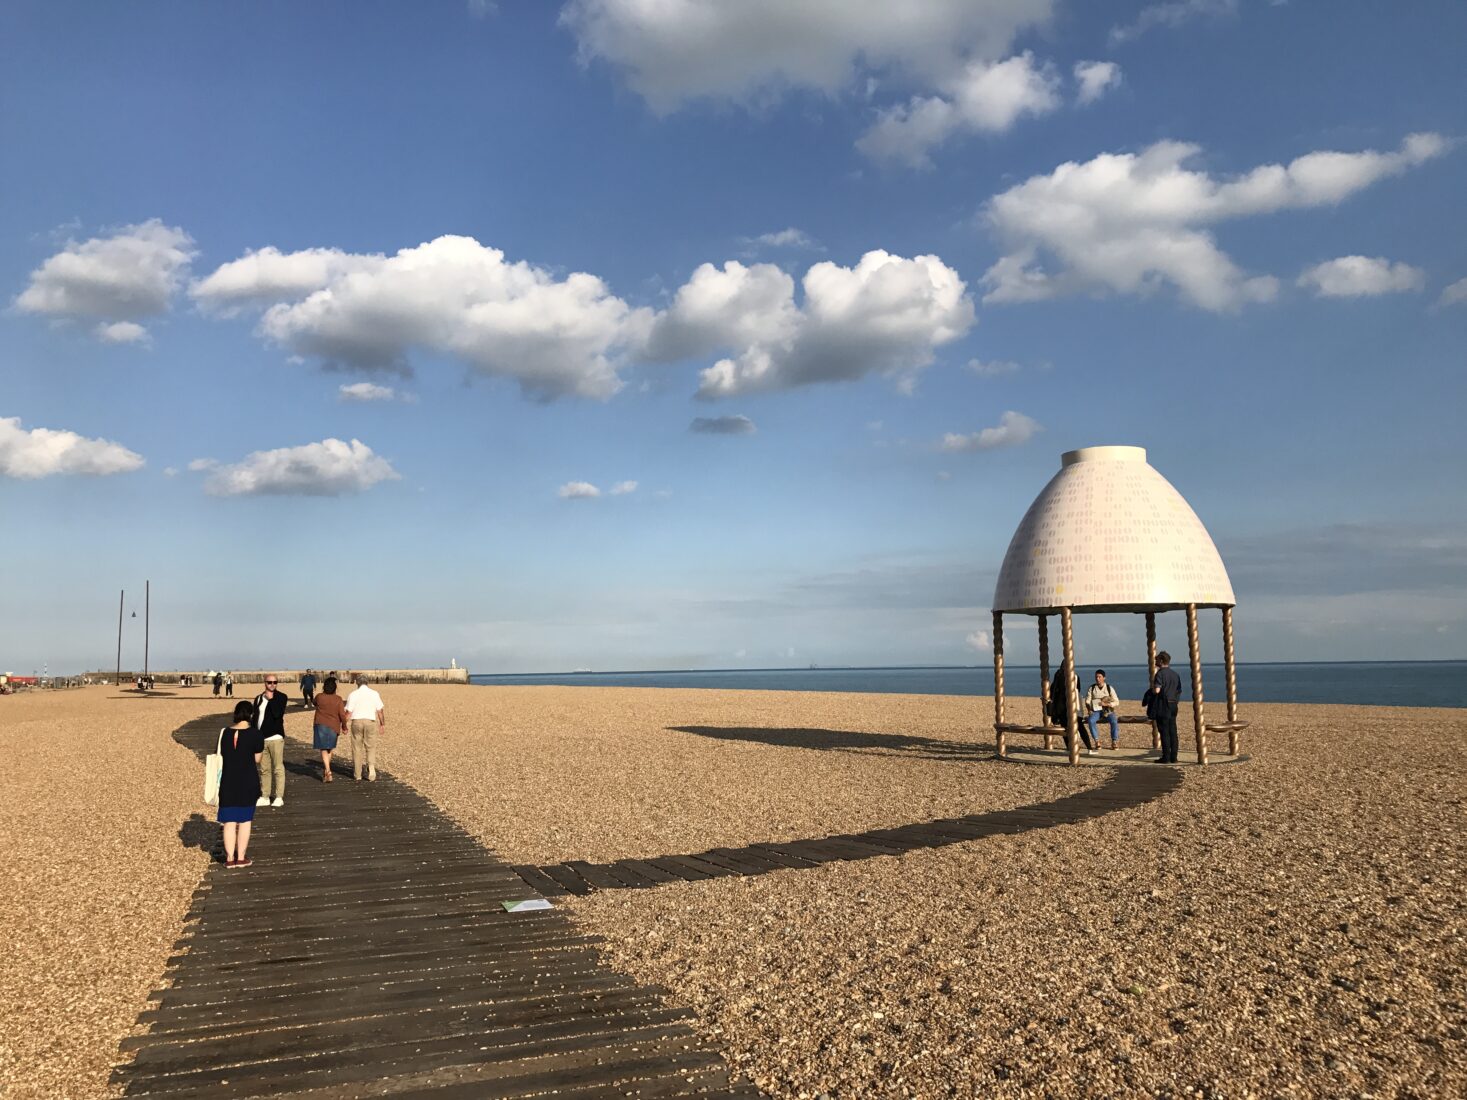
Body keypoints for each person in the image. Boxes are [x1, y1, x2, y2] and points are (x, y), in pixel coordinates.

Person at [217, 700, 265, 867]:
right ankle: (241, 857)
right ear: (251, 715)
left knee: (229, 821)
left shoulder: (225, 733)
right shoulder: (256, 734)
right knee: (245, 820)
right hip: (248, 780)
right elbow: (257, 759)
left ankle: (230, 858)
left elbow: (223, 755)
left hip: (228, 780)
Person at [253, 674, 289, 806]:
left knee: (278, 767)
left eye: (275, 682)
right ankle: (265, 796)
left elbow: (277, 714)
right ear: (265, 683)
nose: (272, 684)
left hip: (275, 737)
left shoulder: (281, 697)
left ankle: (279, 796)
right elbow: (255, 718)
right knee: (264, 769)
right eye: (269, 682)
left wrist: (271, 699)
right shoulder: (258, 699)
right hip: (261, 738)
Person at [345, 674, 386, 781]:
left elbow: (349, 712)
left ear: (357, 683)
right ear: (367, 682)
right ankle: (371, 767)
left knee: (357, 748)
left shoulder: (353, 694)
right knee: (370, 746)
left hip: (357, 721)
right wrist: (382, 724)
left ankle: (357, 774)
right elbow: (380, 711)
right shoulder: (374, 693)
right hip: (370, 721)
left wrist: (343, 725)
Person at [1147, 651, 1184, 764]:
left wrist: (1152, 691)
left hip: (1163, 704)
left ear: (1161, 661)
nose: (1155, 662)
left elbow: (1157, 690)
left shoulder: (1160, 674)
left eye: (1157, 660)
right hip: (1173, 704)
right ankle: (1174, 756)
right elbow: (1179, 690)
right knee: (1173, 730)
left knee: (1164, 731)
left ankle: (1166, 757)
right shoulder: (1175, 674)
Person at [1048, 666, 1095, 754]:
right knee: (1080, 726)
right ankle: (1089, 748)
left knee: (1065, 728)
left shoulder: (1058, 674)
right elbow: (1078, 689)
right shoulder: (1075, 676)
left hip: (1061, 706)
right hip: (1074, 704)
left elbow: (1053, 689)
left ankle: (1069, 747)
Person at [312, 675, 349, 783]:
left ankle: (328, 771)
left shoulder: (319, 696)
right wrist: (344, 726)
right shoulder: (338, 699)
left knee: (323, 748)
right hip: (334, 726)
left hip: (320, 724)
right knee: (330, 748)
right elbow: (342, 715)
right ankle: (327, 770)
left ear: (324, 687)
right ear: (334, 688)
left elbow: (314, 702)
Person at [1085, 669, 1122, 750]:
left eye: (1099, 677)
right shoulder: (1092, 688)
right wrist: (1089, 710)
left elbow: (1117, 701)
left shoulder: (1109, 688)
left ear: (1104, 678)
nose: (1097, 678)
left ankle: (1114, 741)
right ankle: (1096, 741)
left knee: (1114, 721)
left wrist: (1107, 704)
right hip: (1096, 710)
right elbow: (1087, 701)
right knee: (1091, 721)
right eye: (1096, 677)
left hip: (1108, 710)